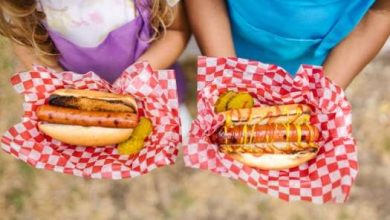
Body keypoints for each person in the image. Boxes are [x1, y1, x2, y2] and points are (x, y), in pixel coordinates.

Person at [0, 0, 192, 134]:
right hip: (75, 82)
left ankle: (175, 110)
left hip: (150, 71)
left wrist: (136, 75)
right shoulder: (21, 6)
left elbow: (176, 31)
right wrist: (60, 85)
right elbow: (26, 44)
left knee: (170, 95)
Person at [185, 0, 390, 89]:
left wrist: (324, 90)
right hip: (225, 33)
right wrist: (227, 74)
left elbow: (381, 11)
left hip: (319, 57)